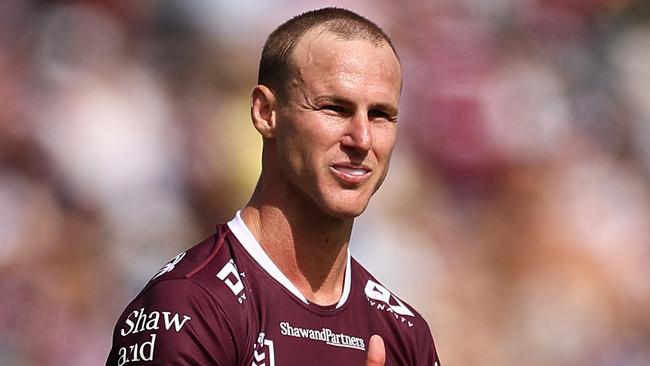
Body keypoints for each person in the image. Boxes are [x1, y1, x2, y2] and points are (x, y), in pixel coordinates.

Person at [106, 7, 441, 366]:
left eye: (380, 115)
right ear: (266, 113)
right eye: (334, 108)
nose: (362, 139)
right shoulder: (190, 307)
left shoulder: (404, 332)